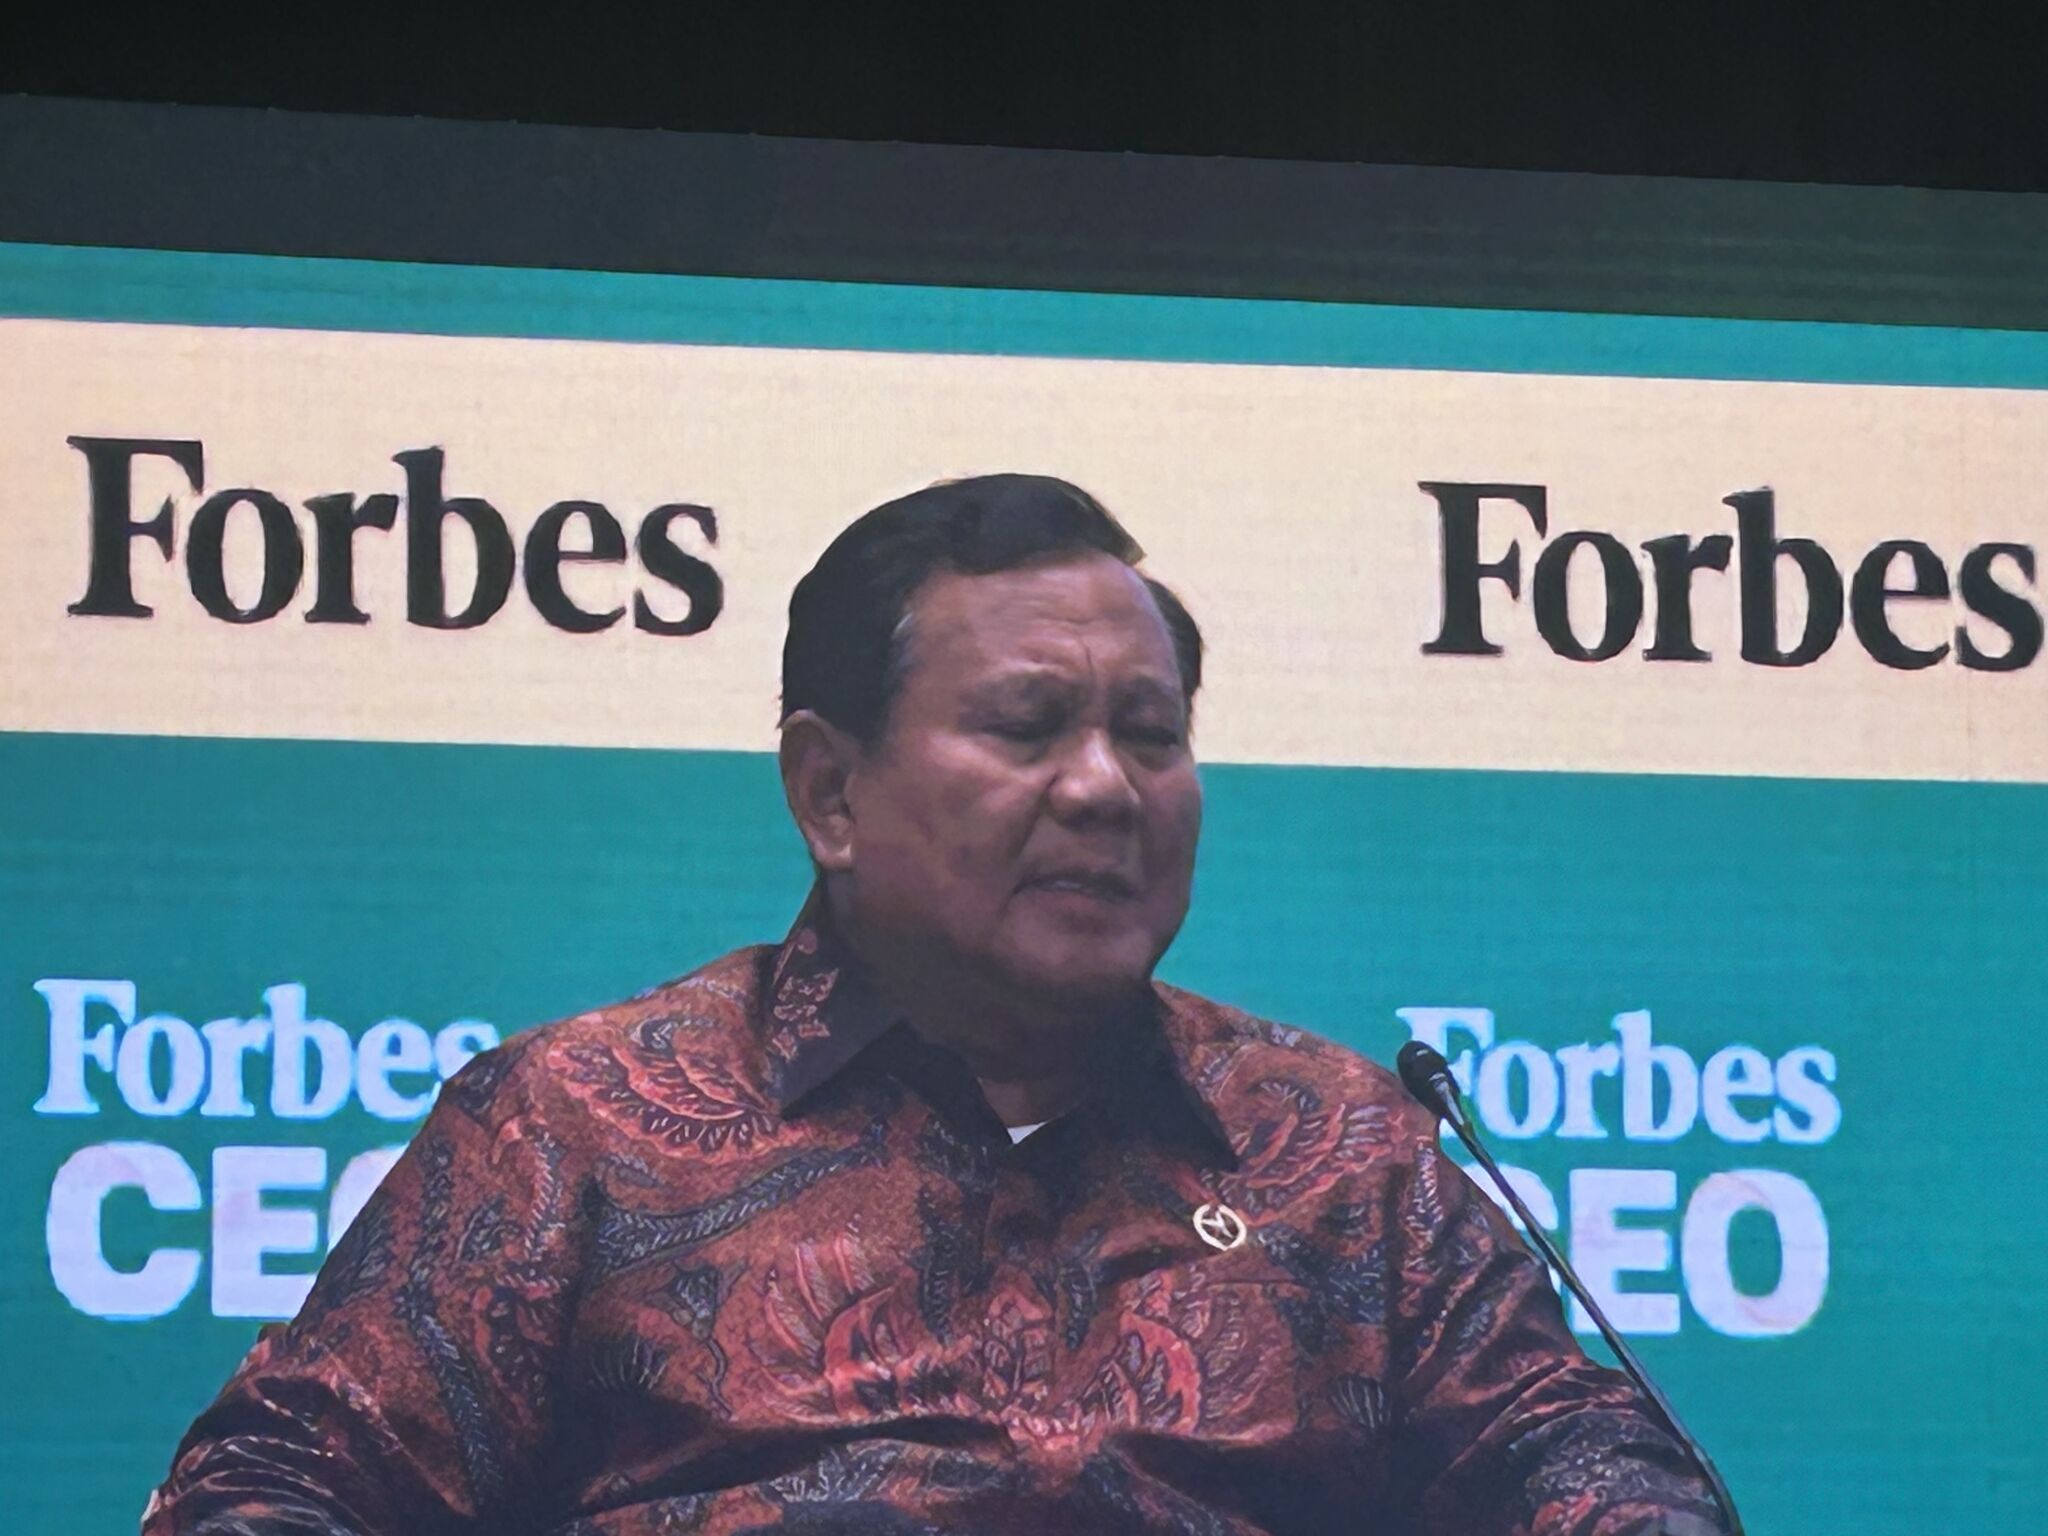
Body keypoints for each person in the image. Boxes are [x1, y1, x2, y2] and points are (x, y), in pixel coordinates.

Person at [145, 475, 1726, 1534]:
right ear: (830, 793)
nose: (1103, 788)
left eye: (1151, 736)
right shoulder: (581, 1128)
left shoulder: (1340, 1153)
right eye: (1028, 728)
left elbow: (1577, 1454)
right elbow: (280, 1488)